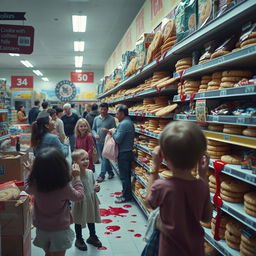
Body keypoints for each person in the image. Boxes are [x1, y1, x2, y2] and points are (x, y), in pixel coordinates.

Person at [144, 121, 212, 256]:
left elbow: (148, 202)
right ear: (200, 157)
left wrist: (155, 170)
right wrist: (202, 175)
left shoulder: (162, 187)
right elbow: (206, 218)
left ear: (164, 157)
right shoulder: (202, 186)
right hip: (196, 250)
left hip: (169, 251)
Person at [25, 147, 85, 256]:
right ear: (61, 166)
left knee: (48, 253)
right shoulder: (63, 186)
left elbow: (27, 189)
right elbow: (79, 196)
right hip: (60, 229)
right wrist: (77, 178)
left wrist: (31, 173)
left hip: (42, 228)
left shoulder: (35, 184)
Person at [71, 149, 102, 251]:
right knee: (78, 221)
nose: (86, 161)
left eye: (87, 159)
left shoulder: (90, 172)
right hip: (79, 203)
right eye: (82, 160)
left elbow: (92, 185)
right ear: (75, 163)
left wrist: (96, 188)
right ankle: (79, 239)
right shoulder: (74, 176)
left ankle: (92, 236)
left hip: (90, 201)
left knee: (91, 218)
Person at [111, 105, 135, 203]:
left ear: (121, 114)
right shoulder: (128, 122)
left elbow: (118, 139)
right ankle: (126, 193)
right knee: (126, 176)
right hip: (128, 152)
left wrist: (113, 132)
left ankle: (126, 197)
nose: (116, 116)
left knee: (124, 176)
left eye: (117, 114)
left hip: (124, 153)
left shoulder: (124, 124)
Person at [92, 102, 116, 182]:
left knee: (104, 158)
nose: (102, 111)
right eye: (101, 109)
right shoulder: (96, 119)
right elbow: (93, 129)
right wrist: (95, 134)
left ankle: (102, 175)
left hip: (107, 142)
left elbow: (114, 131)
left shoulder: (111, 119)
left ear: (107, 110)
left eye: (104, 109)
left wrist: (108, 131)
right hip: (99, 142)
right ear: (99, 109)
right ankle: (110, 172)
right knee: (104, 158)